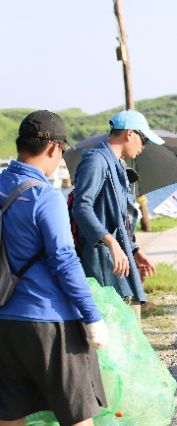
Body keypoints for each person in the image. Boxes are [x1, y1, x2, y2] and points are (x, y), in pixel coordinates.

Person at [0, 110, 108, 426]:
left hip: (4, 320)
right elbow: (64, 260)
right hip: (49, 320)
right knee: (77, 415)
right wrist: (92, 316)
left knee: (9, 414)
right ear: (53, 149)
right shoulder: (44, 195)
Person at [72, 110, 160, 322]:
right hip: (103, 262)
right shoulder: (96, 161)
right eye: (144, 139)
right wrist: (111, 242)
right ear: (129, 133)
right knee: (117, 331)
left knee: (130, 325)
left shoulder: (117, 164)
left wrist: (135, 250)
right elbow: (81, 206)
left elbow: (119, 219)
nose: (144, 146)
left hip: (118, 258)